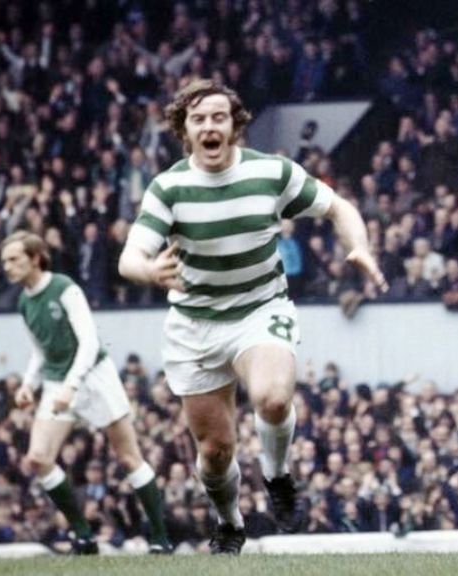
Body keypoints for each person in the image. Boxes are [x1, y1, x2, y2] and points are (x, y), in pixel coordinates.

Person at [118, 79, 387, 555]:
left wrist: (360, 247)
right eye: (199, 119)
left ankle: (277, 475)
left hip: (260, 309)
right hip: (195, 324)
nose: (209, 126)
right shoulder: (169, 188)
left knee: (273, 399)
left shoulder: (271, 172)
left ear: (235, 125)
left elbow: (339, 207)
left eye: (218, 117)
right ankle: (229, 522)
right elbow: (129, 258)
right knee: (215, 451)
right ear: (184, 129)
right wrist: (150, 271)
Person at [1, 231, 171, 555]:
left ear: (35, 258)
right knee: (38, 458)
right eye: (4, 261)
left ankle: (160, 537)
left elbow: (89, 342)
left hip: (93, 376)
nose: (7, 266)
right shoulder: (23, 301)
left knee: (128, 458)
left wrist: (72, 384)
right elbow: (40, 349)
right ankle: (83, 535)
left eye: (13, 259)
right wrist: (28, 384)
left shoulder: (64, 288)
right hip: (57, 381)